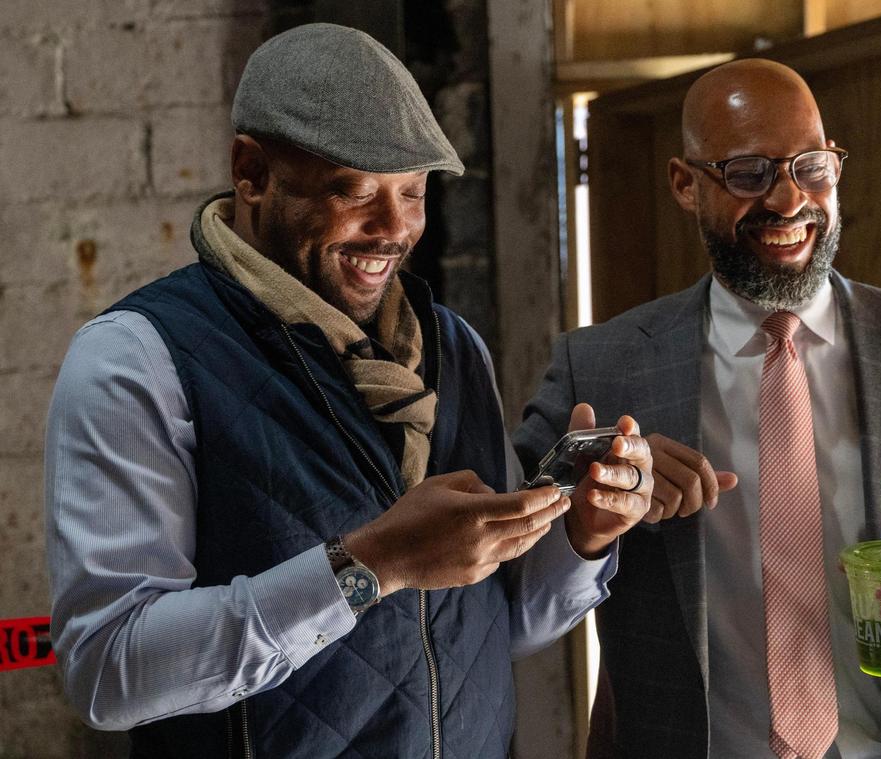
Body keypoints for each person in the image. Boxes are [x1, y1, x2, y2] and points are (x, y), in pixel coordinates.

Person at [44, 23, 652, 759]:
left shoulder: (454, 348)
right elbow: (108, 671)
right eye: (355, 190)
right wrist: (370, 564)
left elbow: (499, 625)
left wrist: (581, 538)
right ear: (251, 172)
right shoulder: (135, 360)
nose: (395, 229)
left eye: (413, 191)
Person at [515, 59, 881, 759]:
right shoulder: (599, 369)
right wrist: (588, 530)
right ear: (686, 183)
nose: (787, 200)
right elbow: (515, 603)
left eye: (812, 167)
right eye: (748, 172)